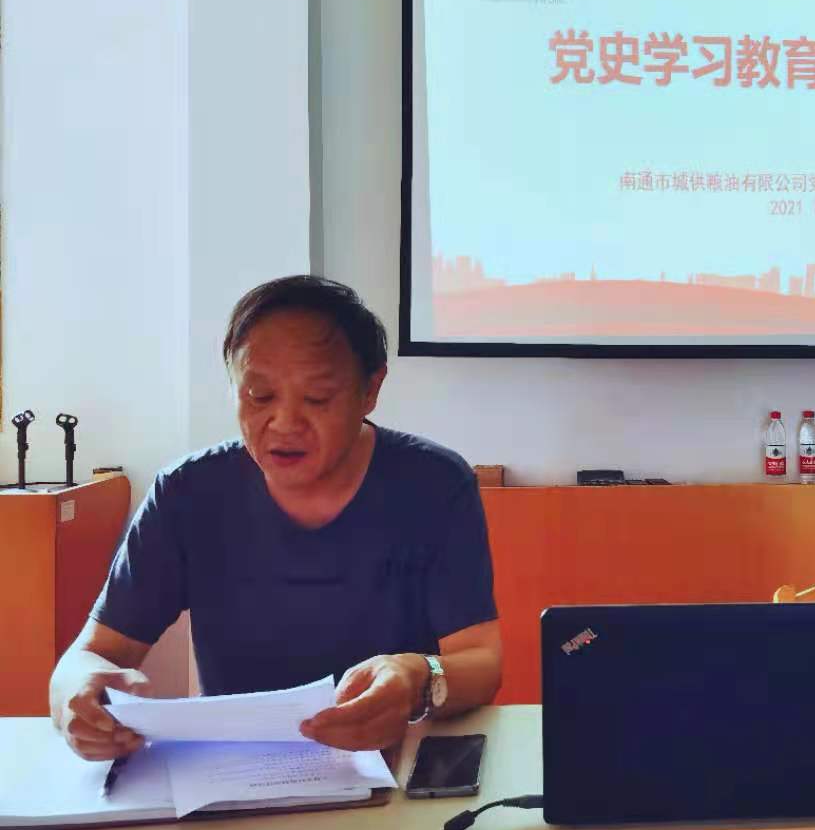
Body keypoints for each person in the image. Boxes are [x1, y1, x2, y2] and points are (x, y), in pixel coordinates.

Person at [49, 276, 502, 759]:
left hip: (396, 764)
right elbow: (89, 656)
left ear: (370, 389)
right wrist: (76, 695)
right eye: (259, 396)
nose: (284, 423)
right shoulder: (188, 493)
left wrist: (417, 677)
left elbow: (481, 660)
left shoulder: (432, 484)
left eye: (317, 398)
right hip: (235, 772)